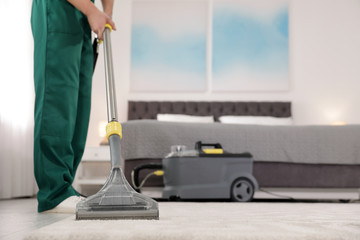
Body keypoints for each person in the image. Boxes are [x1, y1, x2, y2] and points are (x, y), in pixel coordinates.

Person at [31, 0, 116, 213]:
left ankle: (64, 187)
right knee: (57, 102)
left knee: (79, 105)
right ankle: (54, 193)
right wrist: (92, 10)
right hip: (58, 9)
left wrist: (106, 13)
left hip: (83, 17)